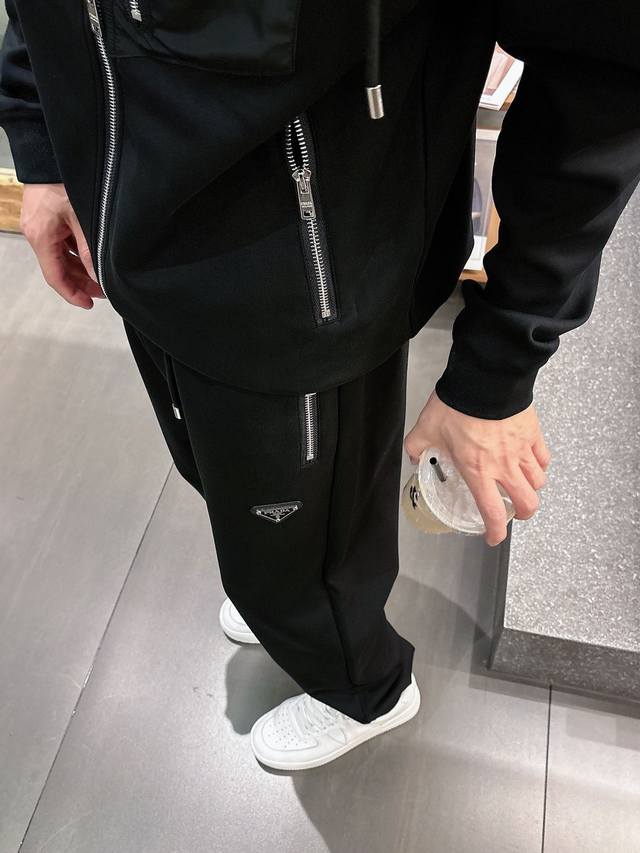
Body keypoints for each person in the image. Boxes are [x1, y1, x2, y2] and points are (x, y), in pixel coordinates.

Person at [1, 0, 638, 771]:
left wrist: (499, 366)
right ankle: (285, 593)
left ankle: (366, 686)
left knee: (313, 551)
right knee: (226, 482)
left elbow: (604, 62)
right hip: (138, 241)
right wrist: (40, 138)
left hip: (305, 287)